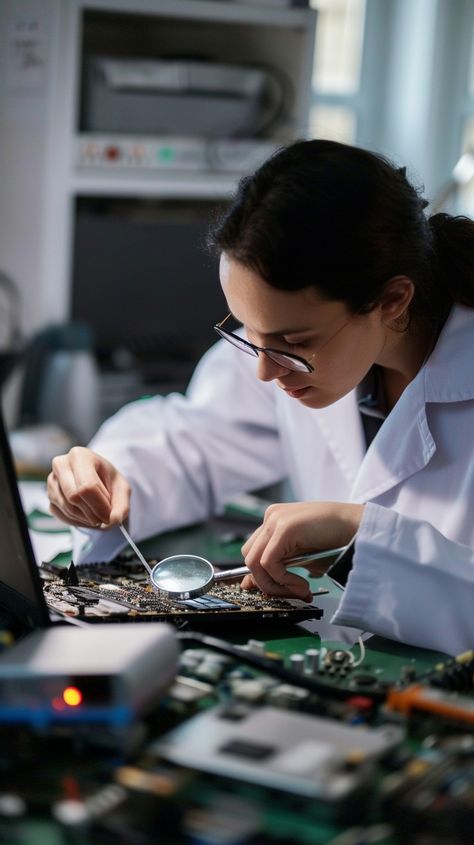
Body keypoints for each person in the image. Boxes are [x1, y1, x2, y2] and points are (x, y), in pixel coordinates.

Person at [47, 140, 474, 655]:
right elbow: (197, 435)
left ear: (392, 300)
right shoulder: (285, 341)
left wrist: (362, 535)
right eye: (249, 334)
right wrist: (108, 472)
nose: (265, 370)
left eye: (294, 344)